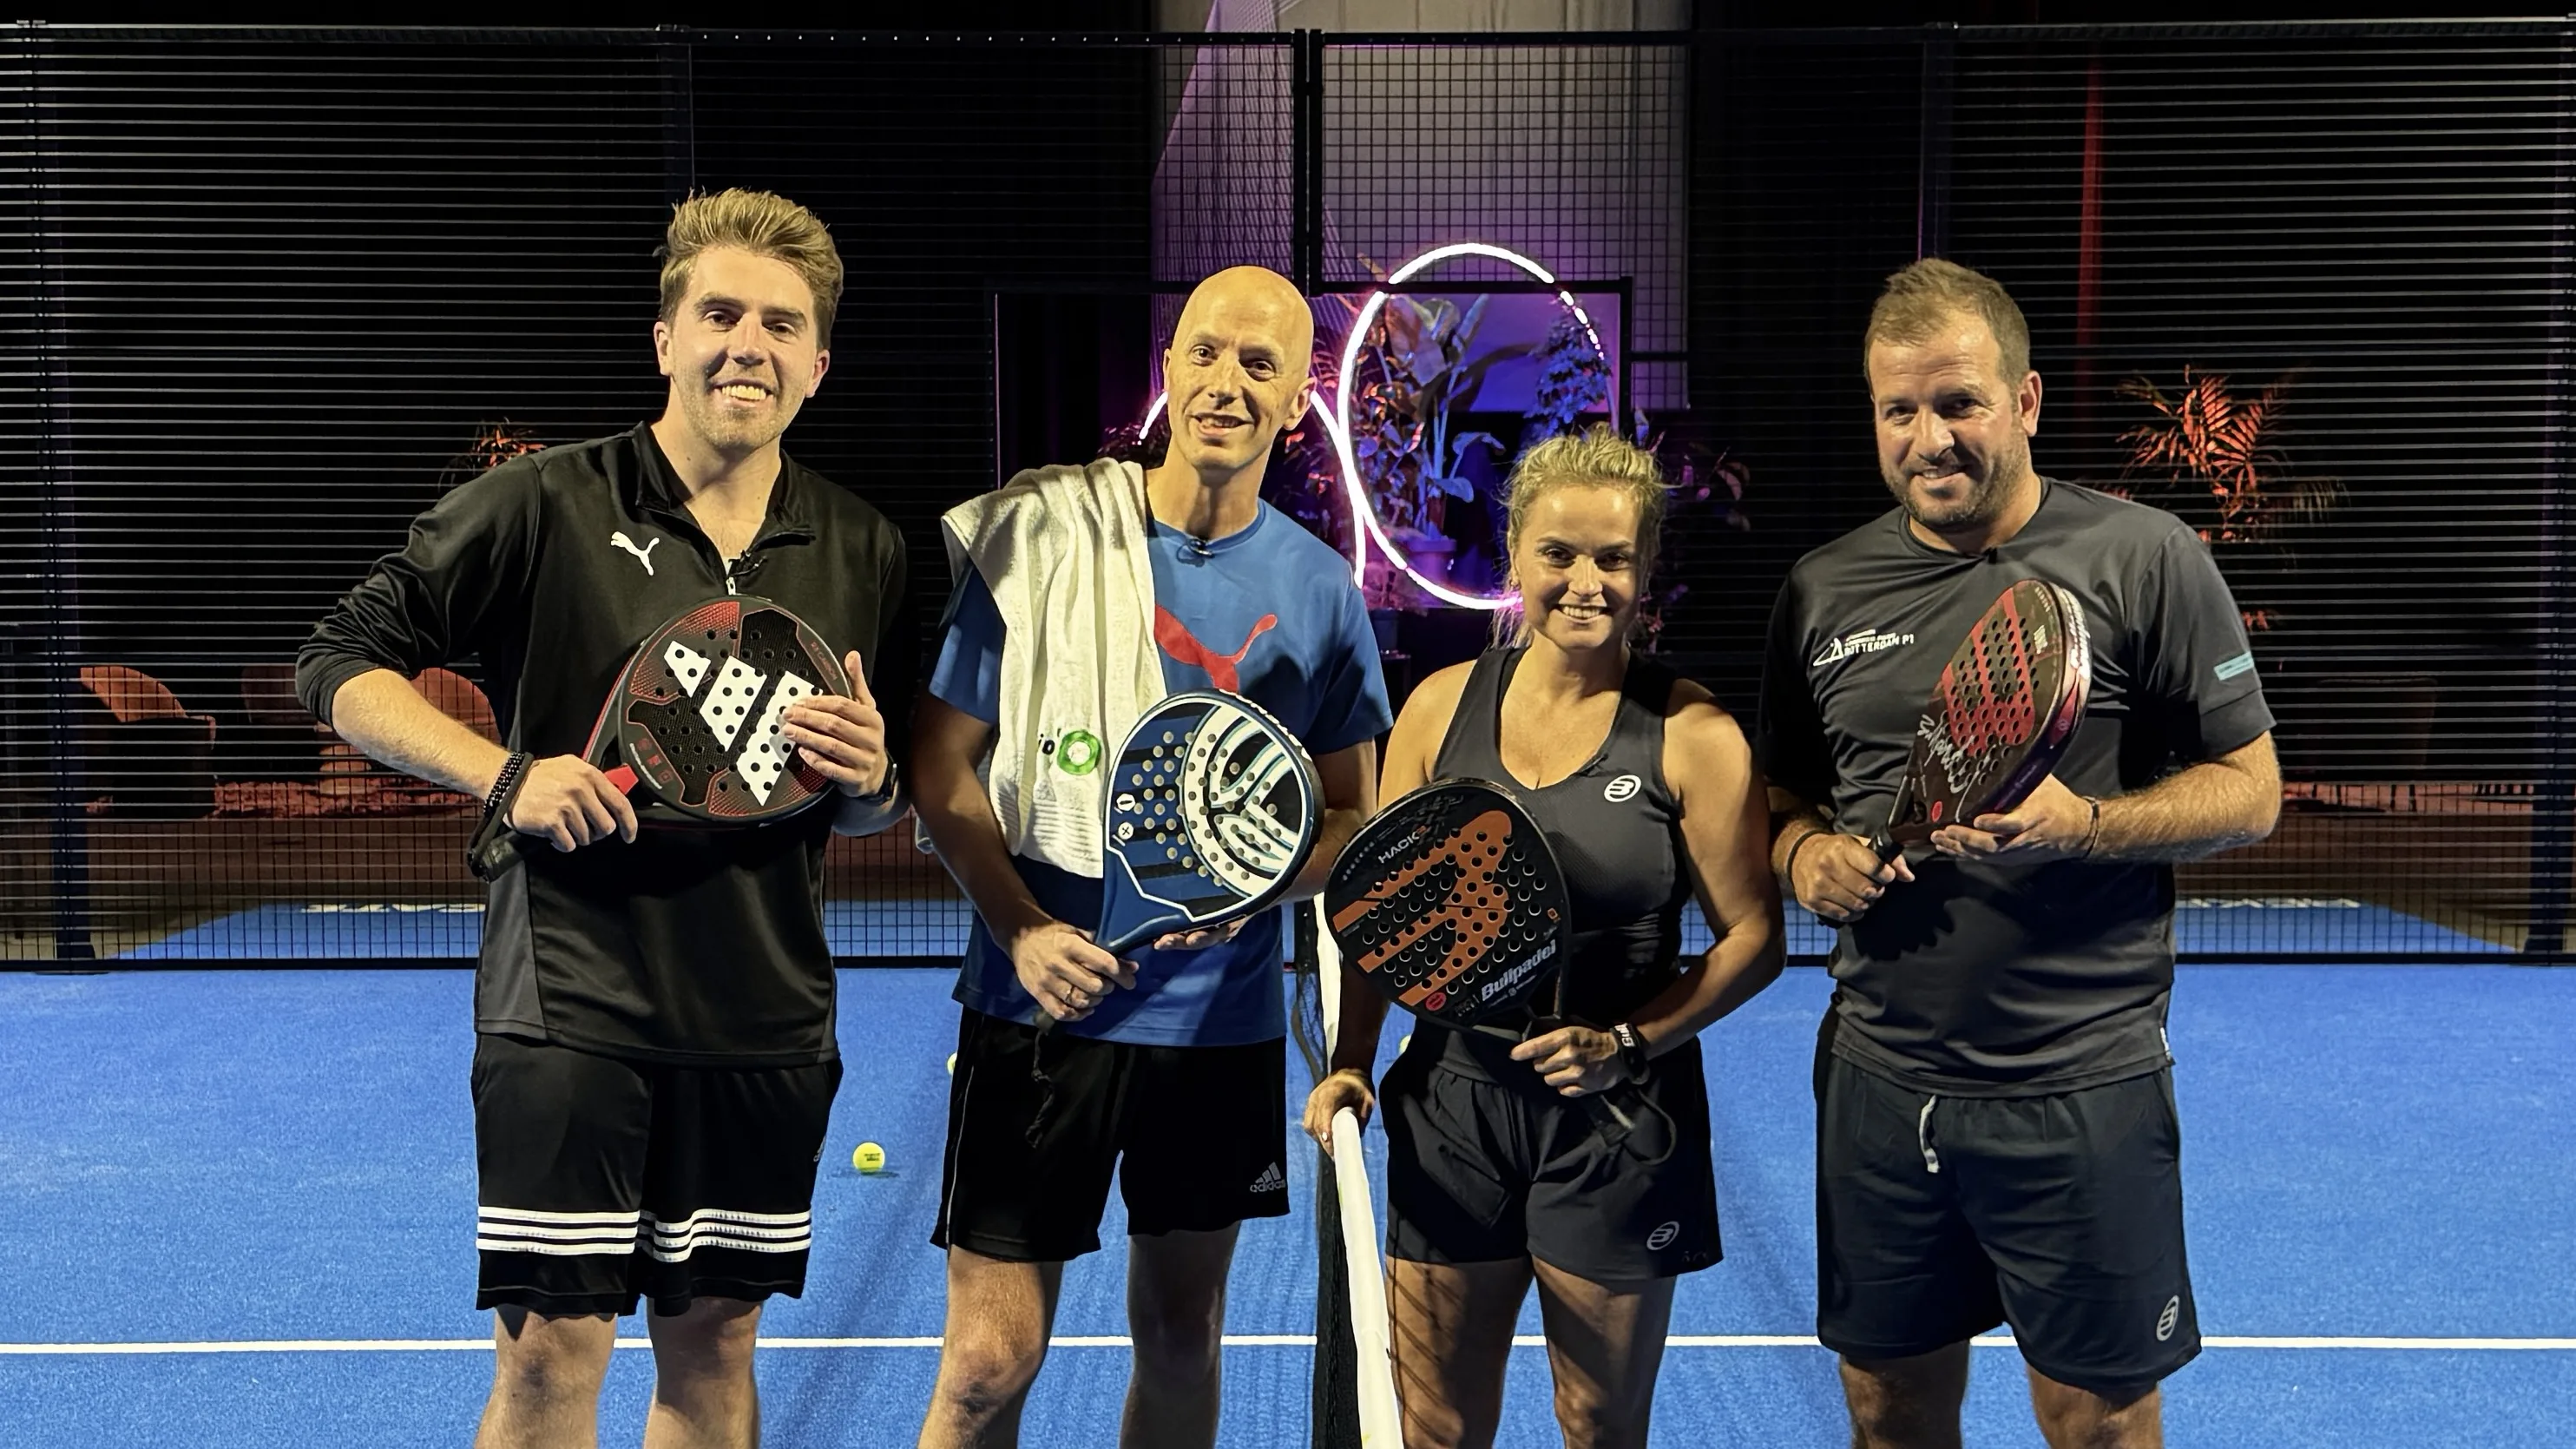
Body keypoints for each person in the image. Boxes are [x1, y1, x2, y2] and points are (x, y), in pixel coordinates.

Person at [296, 188, 911, 1449]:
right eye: (721, 313)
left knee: (716, 1357)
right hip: (571, 1002)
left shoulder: (865, 544)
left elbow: (863, 805)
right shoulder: (545, 503)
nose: (750, 343)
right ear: (666, 340)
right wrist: (505, 773)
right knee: (549, 1362)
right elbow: (340, 660)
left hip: (764, 1017)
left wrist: (873, 781)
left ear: (818, 362)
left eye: (781, 324)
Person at [1758, 257, 2281, 1449]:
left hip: (2080, 1081)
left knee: (2095, 1423)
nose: (1929, 438)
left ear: (2027, 401)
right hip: (1882, 1084)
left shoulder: (2145, 559)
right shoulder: (1823, 589)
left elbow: (2254, 792)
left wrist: (2088, 826)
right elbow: (1783, 789)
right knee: (1889, 1412)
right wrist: (1799, 854)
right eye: (1900, 410)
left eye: (1959, 404)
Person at [910, 265, 1392, 1449]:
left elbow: (1347, 820)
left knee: (1182, 1338)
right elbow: (939, 763)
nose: (1227, 383)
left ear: (1296, 404)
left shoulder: (1320, 591)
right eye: (1207, 353)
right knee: (985, 1363)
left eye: (1260, 365)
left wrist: (1253, 881)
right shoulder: (1045, 537)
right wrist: (1022, 926)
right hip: (1035, 1016)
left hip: (1213, 1034)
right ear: (1169, 369)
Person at [1304, 426, 1785, 1449]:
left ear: (1644, 569)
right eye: (1559, 554)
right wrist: (1349, 1062)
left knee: (1599, 1423)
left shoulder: (1693, 734)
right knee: (1436, 1423)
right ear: (1514, 556)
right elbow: (1390, 915)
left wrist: (1627, 1043)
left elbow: (1753, 937)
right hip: (1453, 1108)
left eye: (1613, 558)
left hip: (1611, 1121)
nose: (1584, 582)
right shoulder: (1437, 710)